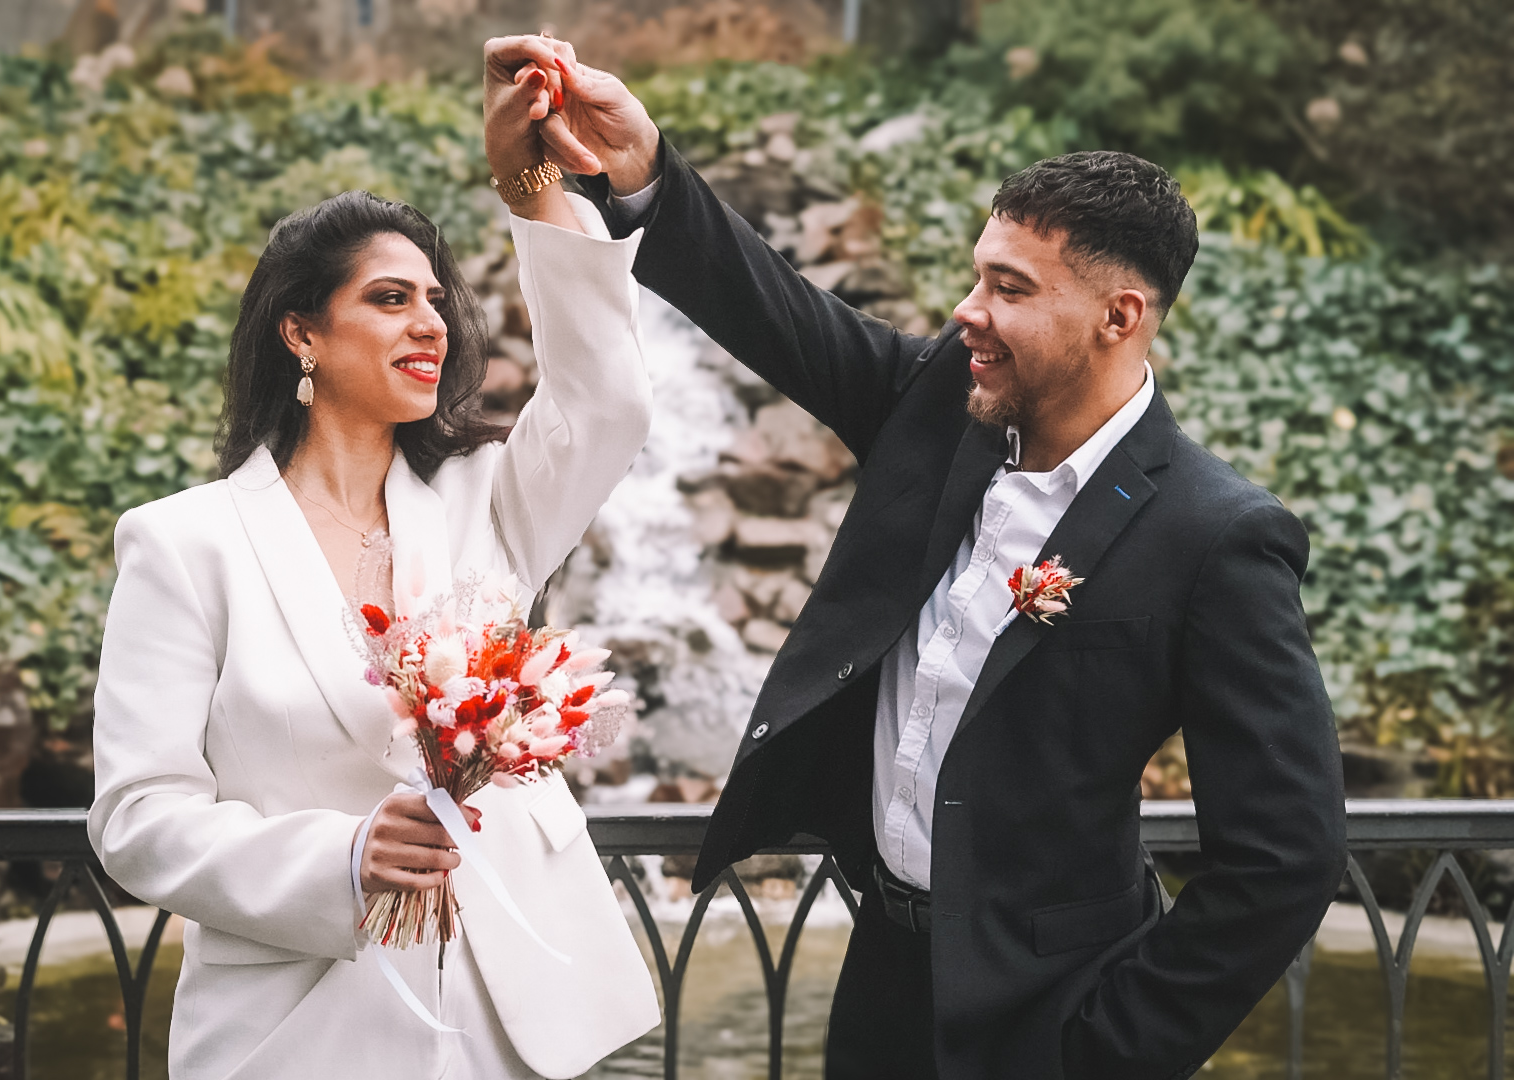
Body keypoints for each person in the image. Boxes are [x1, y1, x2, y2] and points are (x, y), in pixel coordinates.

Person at [504, 37, 1349, 1079]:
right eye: (974, 276)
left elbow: (1283, 859)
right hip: (883, 978)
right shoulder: (935, 409)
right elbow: (774, 309)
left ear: (1116, 317)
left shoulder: (1216, 538)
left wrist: (1104, 1051)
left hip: (1053, 1013)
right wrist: (641, 171)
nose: (966, 311)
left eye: (1006, 288)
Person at [87, 41, 660, 1080]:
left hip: (513, 1020)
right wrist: (342, 859)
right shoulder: (184, 543)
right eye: (390, 299)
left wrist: (528, 182)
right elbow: (138, 818)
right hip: (303, 1025)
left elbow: (608, 400)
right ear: (301, 332)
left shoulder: (490, 501)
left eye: (435, 299)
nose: (430, 321)